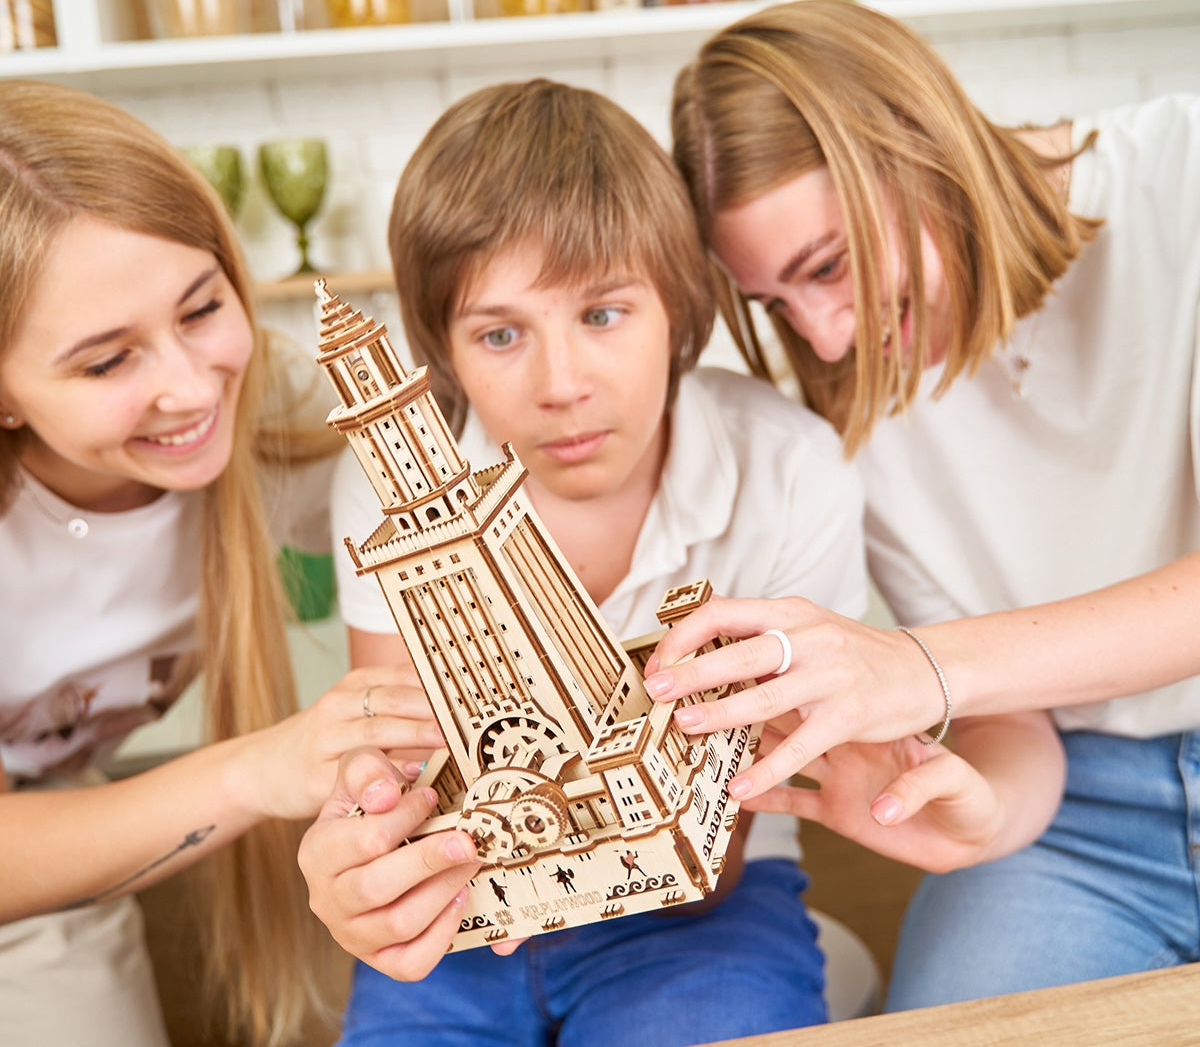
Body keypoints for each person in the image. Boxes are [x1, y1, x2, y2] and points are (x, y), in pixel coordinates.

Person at [299, 77, 1065, 1046]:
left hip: (705, 914)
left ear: (680, 308)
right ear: (444, 355)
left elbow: (723, 834)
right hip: (463, 921)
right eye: (500, 334)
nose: (562, 386)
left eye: (605, 316)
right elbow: (401, 769)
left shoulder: (786, 470)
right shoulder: (388, 491)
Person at [645, 0, 1200, 1007]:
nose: (823, 339)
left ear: (916, 144)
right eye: (775, 302)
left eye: (830, 267)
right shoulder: (847, 406)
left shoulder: (1183, 178)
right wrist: (981, 811)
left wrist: (916, 668)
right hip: (1082, 816)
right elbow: (1016, 722)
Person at [0, 80, 443, 1047]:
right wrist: (254, 772)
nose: (193, 388)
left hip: (69, 816)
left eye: (202, 309)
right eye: (106, 362)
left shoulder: (279, 418)